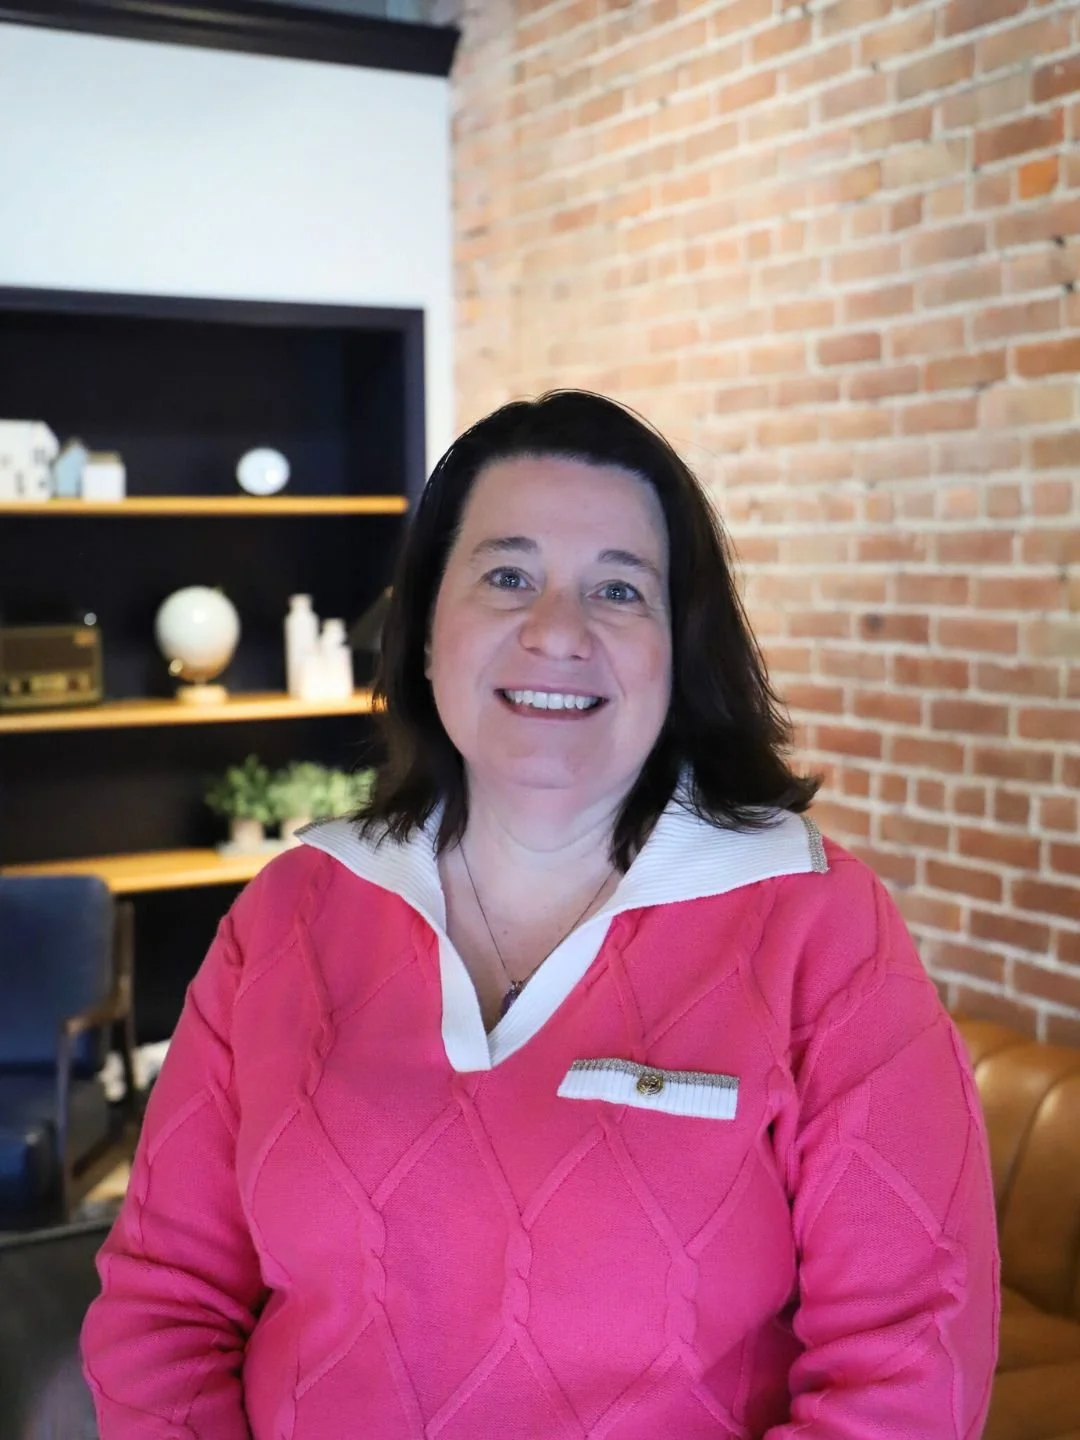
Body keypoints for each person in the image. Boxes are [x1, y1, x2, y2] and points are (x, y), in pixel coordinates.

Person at [81, 390, 999, 1438]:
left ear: (676, 653)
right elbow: (166, 1300)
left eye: (619, 590)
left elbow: (910, 1367)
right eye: (507, 575)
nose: (557, 631)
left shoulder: (818, 930)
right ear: (426, 630)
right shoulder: (291, 912)